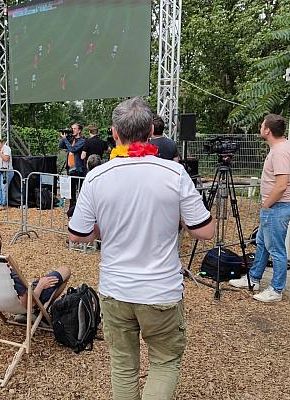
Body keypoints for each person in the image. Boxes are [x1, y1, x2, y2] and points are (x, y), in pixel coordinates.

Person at [68, 97, 214, 399]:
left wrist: (105, 228)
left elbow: (77, 235)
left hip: (115, 290)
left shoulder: (96, 176)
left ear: (114, 133)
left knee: (123, 366)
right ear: (151, 131)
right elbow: (206, 230)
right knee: (165, 362)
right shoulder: (174, 174)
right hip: (160, 292)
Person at [229, 114, 290, 302]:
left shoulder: (280, 152)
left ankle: (276, 290)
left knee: (276, 249)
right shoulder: (280, 147)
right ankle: (253, 278)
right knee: (262, 243)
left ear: (267, 130)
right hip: (276, 206)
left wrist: (267, 203)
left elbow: (282, 184)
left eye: (261, 126)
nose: (260, 128)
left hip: (278, 206)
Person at [0, 230, 71, 308]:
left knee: (36, 282)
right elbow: (28, 305)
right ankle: (39, 311)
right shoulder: (10, 275)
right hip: (23, 303)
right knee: (65, 270)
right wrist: (41, 285)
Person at [59, 123, 86, 207]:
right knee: (71, 191)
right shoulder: (71, 139)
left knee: (81, 190)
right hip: (70, 169)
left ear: (79, 130)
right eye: (72, 128)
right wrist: (64, 138)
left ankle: (82, 208)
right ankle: (72, 208)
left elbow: (73, 149)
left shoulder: (82, 141)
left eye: (74, 129)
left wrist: (65, 140)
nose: (72, 130)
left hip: (78, 169)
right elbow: (61, 146)